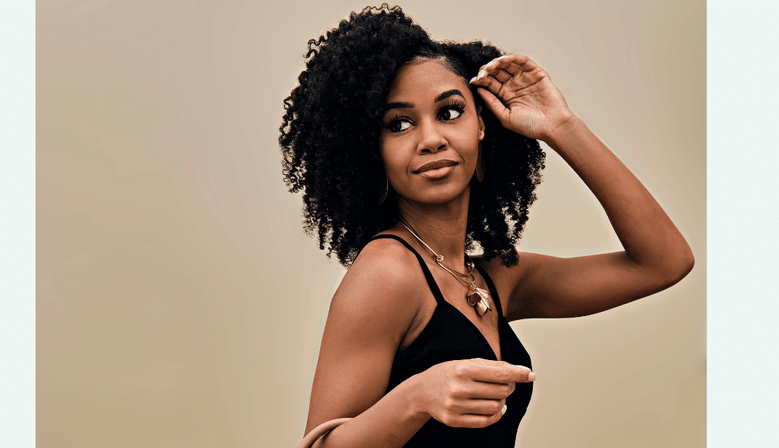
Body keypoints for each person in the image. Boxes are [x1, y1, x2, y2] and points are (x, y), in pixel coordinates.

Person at [279, 5, 694, 447]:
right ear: (371, 149)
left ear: (482, 124)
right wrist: (416, 397)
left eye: (451, 112)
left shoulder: (494, 278)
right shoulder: (387, 273)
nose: (431, 138)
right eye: (399, 124)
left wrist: (561, 127)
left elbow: (664, 262)